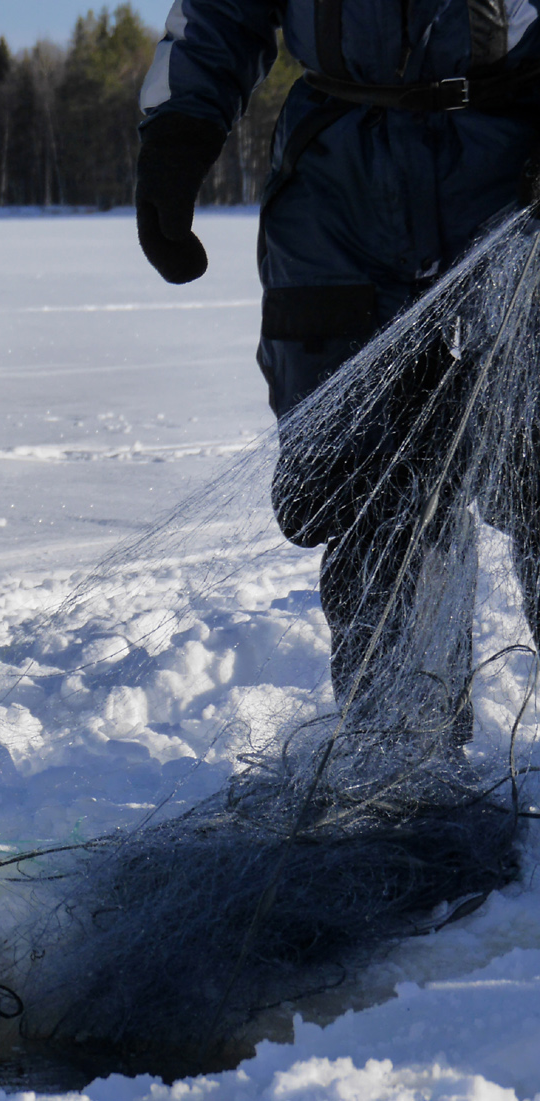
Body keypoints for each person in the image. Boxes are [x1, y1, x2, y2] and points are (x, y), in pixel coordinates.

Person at [133, 2, 540, 743]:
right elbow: (221, 11)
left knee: (538, 457)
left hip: (515, 163)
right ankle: (399, 763)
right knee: (365, 485)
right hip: (336, 188)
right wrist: (178, 129)